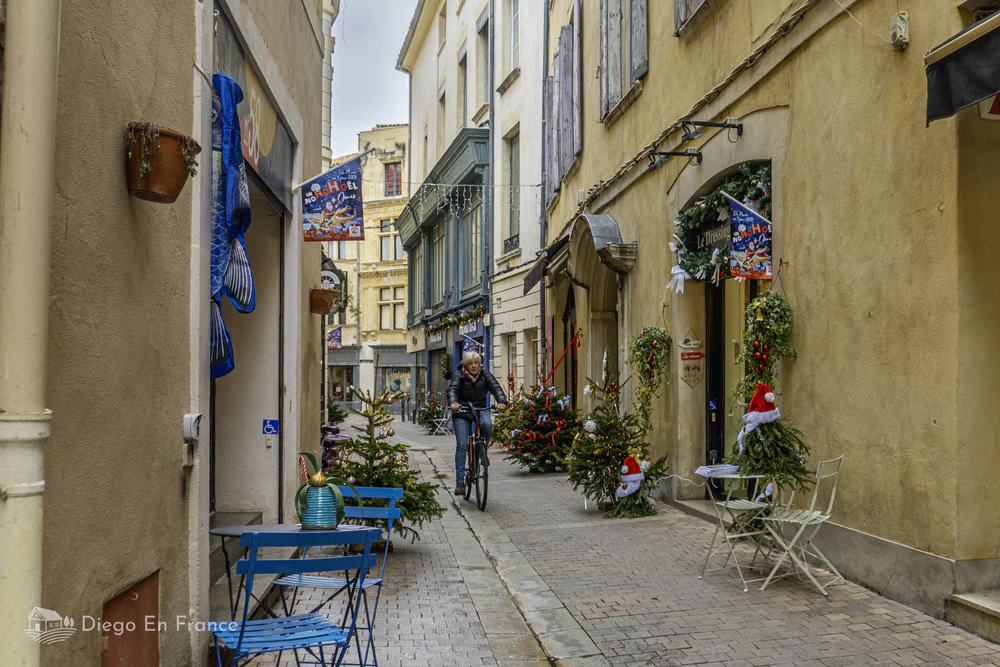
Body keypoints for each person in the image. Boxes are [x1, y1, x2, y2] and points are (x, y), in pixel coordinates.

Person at [448, 351, 507, 496]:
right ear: (466, 365)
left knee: (487, 425)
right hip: (462, 410)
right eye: (470, 363)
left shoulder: (485, 374)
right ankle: (460, 482)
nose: (474, 366)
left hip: (480, 409)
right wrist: (453, 402)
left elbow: (496, 388)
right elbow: (453, 390)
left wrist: (502, 401)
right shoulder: (459, 375)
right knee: (462, 445)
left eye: (476, 363)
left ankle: (481, 450)